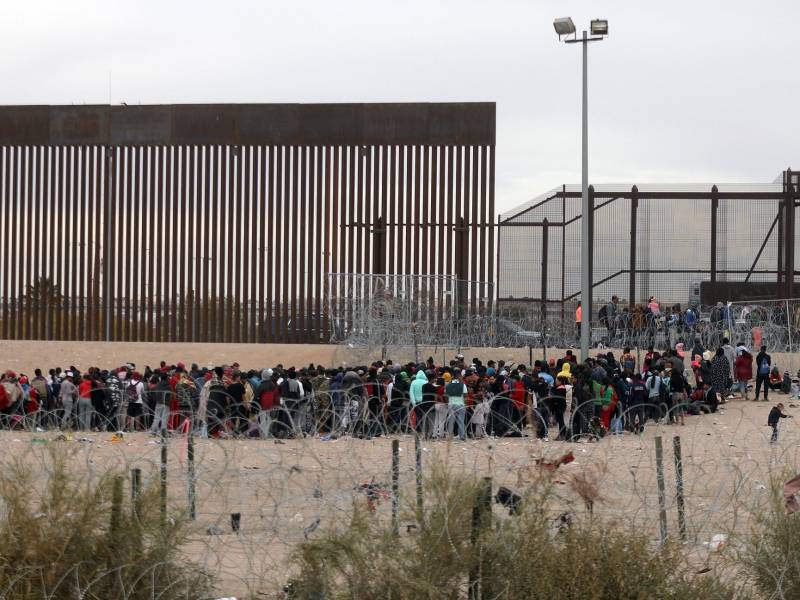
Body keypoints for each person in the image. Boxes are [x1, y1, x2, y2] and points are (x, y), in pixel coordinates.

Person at [445, 369, 468, 441]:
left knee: (451, 421)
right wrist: (466, 404)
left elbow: (445, 395)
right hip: (460, 404)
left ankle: (450, 435)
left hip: (451, 404)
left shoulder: (448, 385)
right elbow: (465, 395)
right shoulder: (463, 384)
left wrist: (448, 403)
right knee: (461, 421)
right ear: (458, 375)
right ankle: (462, 436)